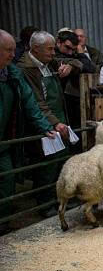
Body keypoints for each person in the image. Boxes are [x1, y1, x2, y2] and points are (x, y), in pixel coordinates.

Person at [0, 29, 56, 220]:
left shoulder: (13, 73)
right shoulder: (22, 69)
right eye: (8, 50)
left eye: (13, 50)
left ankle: (4, 222)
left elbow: (30, 103)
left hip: (5, 139)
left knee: (7, 179)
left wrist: (45, 127)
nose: (12, 54)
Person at [17, 31, 71, 216]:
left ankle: (59, 201)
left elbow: (78, 62)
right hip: (43, 123)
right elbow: (37, 101)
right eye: (49, 49)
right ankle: (44, 205)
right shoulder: (26, 69)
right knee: (45, 165)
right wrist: (54, 123)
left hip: (58, 120)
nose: (53, 53)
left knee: (60, 162)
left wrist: (70, 67)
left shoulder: (49, 63)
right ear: (36, 49)